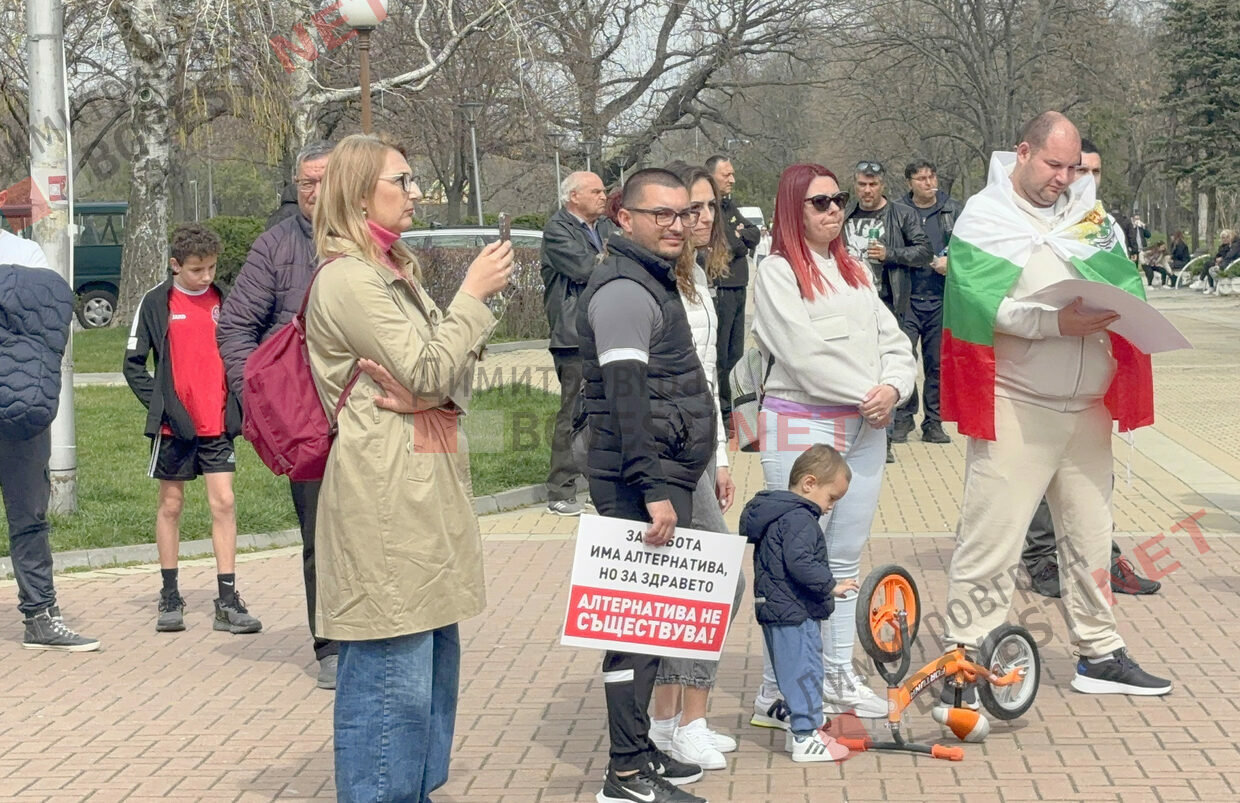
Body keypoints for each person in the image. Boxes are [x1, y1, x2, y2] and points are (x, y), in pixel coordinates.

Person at [303, 133, 512, 802]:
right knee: (392, 674)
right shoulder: (349, 278)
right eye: (403, 179)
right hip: (386, 500)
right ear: (361, 194)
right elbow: (428, 367)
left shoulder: (394, 269)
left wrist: (430, 393)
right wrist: (471, 296)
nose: (416, 191)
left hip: (421, 490)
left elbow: (446, 379)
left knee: (428, 675)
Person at [940, 112, 1171, 711]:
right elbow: (975, 307)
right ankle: (962, 659)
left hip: (1088, 408)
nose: (1064, 179)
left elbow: (1125, 285)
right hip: (1018, 405)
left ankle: (1100, 652)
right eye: (1053, 165)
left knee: (1092, 540)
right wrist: (1052, 323)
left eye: (1074, 168)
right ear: (1023, 152)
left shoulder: (1091, 217)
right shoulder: (984, 215)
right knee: (991, 541)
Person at [750, 163, 916, 724]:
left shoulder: (856, 269)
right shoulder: (777, 271)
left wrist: (894, 388)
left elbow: (894, 340)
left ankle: (838, 673)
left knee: (843, 556)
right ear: (792, 208)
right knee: (792, 562)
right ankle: (778, 690)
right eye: (819, 202)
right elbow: (801, 352)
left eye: (838, 199)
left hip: (865, 426)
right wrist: (869, 391)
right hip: (803, 424)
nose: (833, 210)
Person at [577, 168, 716, 803]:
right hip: (640, 483)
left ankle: (639, 755)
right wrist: (652, 486)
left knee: (652, 629)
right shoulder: (625, 291)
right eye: (661, 214)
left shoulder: (652, 279)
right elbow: (626, 399)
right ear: (623, 217)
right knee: (632, 633)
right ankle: (626, 775)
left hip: (662, 474)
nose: (676, 225)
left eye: (683, 213)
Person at [217, 140, 338, 686]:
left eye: (324, 180)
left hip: (373, 412)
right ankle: (331, 644)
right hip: (305, 419)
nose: (314, 192)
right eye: (305, 183)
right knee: (321, 534)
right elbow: (235, 327)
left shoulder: (374, 241)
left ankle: (383, 634)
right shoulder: (275, 246)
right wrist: (262, 401)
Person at [1019, 137, 1160, 599]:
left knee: (1094, 478)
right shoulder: (1035, 222)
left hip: (1094, 371)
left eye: (1094, 172)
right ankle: (1043, 557)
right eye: (1079, 171)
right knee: (1042, 470)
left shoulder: (1103, 225)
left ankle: (1103, 556)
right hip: (1042, 372)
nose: (1086, 180)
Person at [647, 163, 742, 772]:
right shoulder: (659, 283)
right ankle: (687, 723)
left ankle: (666, 721)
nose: (702, 218)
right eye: (690, 208)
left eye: (709, 206)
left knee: (686, 583)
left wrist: (722, 456)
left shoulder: (700, 278)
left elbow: (709, 379)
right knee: (715, 580)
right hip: (669, 454)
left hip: (702, 449)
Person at [124, 224, 259, 636]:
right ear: (175, 265)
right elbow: (133, 366)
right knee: (171, 505)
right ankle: (170, 596)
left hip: (217, 424)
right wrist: (164, 410)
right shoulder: (156, 302)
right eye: (197, 269)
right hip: (174, 429)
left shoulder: (225, 299)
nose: (206, 276)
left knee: (224, 503)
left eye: (212, 268)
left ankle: (227, 601)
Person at [0, 231, 99, 652]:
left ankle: (41, 615)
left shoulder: (24, 250)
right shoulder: (28, 254)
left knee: (30, 519)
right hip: (24, 405)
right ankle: (41, 616)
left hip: (21, 413)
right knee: (29, 520)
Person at [740, 444, 859, 762]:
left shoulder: (778, 514)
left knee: (793, 670)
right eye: (831, 497)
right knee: (806, 670)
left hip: (776, 606)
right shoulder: (800, 519)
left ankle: (803, 729)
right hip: (794, 609)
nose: (830, 506)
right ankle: (806, 736)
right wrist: (830, 585)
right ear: (809, 483)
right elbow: (801, 562)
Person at [842, 160, 932, 463]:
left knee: (888, 369)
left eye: (873, 184)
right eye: (862, 184)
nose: (867, 190)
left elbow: (924, 251)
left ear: (883, 185)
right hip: (852, 305)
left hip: (890, 303)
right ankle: (855, 435)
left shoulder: (901, 214)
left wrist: (890, 254)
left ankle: (886, 439)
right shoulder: (845, 215)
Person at [539, 170, 613, 517]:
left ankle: (599, 486)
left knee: (605, 411)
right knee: (573, 412)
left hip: (604, 330)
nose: (603, 196)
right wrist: (614, 258)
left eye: (603, 191)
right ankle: (560, 490)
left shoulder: (603, 227)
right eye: (595, 191)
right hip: (573, 336)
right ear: (573, 197)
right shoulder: (557, 230)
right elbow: (586, 269)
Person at [894, 159, 963, 445]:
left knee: (937, 364)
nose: (928, 183)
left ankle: (933, 422)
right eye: (921, 178)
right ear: (909, 182)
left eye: (932, 177)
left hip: (940, 297)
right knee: (904, 360)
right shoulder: (897, 210)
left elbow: (970, 248)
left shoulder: (952, 210)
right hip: (907, 297)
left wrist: (952, 263)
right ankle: (902, 418)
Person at [704, 155, 761, 434]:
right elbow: (730, 243)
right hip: (721, 288)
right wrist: (739, 240)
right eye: (726, 174)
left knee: (736, 355)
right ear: (711, 176)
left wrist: (740, 237)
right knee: (721, 356)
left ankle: (735, 413)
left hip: (739, 286)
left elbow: (754, 234)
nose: (732, 179)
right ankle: (722, 412)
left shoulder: (729, 205)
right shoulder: (710, 208)